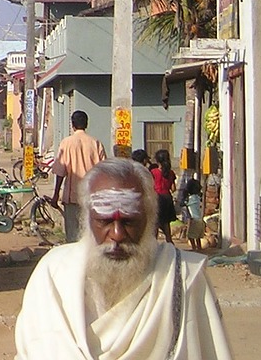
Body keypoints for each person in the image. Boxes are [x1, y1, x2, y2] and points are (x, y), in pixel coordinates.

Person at [14, 158, 233, 360]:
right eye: (105, 221)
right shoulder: (52, 275)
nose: (117, 235)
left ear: (149, 219)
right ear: (87, 218)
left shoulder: (184, 277)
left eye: (129, 222)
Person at [50, 109, 107, 243]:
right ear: (86, 124)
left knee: (73, 236)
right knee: (92, 235)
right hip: (92, 197)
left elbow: (60, 172)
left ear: (73, 125)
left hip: (72, 197)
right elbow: (104, 171)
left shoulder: (66, 143)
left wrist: (56, 194)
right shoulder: (96, 143)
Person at [152, 148, 178, 243]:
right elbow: (173, 188)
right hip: (167, 199)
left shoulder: (154, 172)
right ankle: (170, 244)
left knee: (155, 224)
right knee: (166, 224)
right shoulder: (171, 173)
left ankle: (153, 245)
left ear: (157, 160)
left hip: (157, 198)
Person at [181, 178, 206, 251]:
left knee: (190, 236)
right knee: (197, 237)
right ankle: (199, 248)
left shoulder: (189, 199)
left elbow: (182, 204)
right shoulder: (197, 198)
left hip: (194, 220)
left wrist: (184, 194)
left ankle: (194, 248)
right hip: (200, 220)